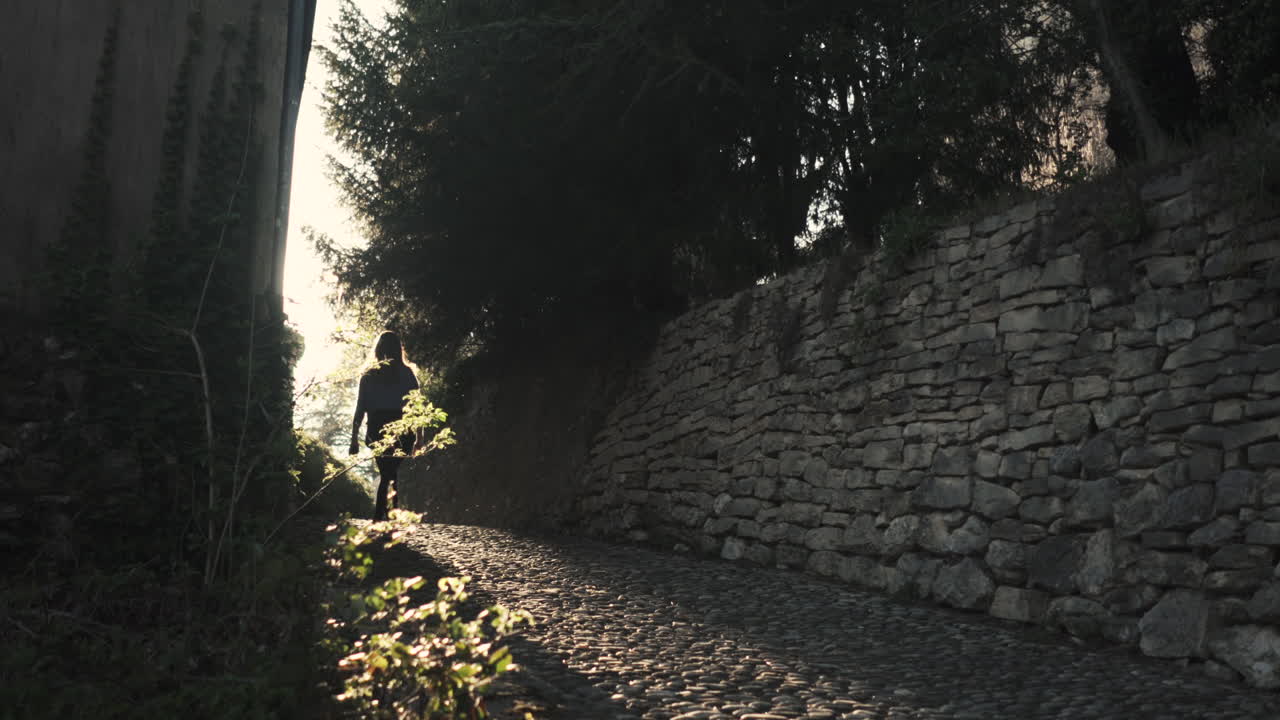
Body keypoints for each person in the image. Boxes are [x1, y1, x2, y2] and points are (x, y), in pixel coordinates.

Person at [349, 331, 420, 521]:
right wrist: (419, 437)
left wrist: (354, 439)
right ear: (399, 349)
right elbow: (416, 407)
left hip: (377, 428)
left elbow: (360, 409)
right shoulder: (407, 373)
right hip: (401, 429)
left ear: (378, 350)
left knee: (387, 472)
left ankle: (381, 516)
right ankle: (386, 514)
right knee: (391, 472)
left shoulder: (368, 376)